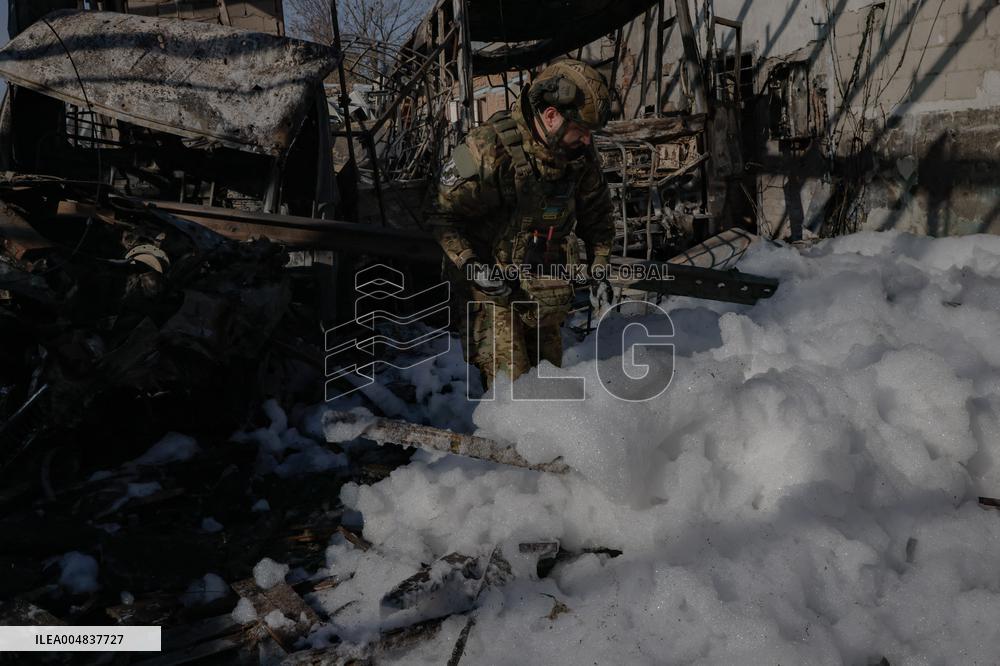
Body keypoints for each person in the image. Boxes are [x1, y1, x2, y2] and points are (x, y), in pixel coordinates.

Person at [428, 59, 616, 389]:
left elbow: (597, 214)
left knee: (549, 382)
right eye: (581, 131)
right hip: (491, 291)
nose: (587, 141)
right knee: (511, 392)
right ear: (551, 115)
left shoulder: (578, 156)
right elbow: (442, 216)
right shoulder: (484, 149)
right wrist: (472, 267)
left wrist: (600, 267)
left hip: (543, 286)